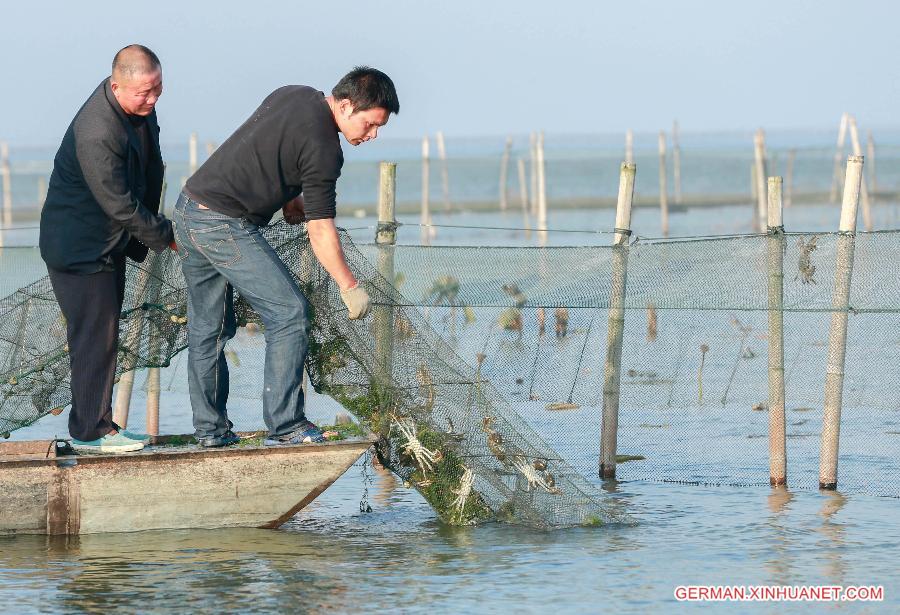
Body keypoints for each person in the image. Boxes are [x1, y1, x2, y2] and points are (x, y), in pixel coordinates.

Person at [174, 66, 399, 448]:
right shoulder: (327, 151)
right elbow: (320, 231)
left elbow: (273, 147)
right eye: (370, 123)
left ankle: (211, 434)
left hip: (189, 211)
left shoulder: (296, 94)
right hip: (222, 223)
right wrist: (349, 285)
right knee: (290, 313)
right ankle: (288, 425)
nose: (372, 135)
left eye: (379, 127)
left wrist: (293, 199)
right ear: (345, 106)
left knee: (208, 330)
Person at [39, 45, 175, 454]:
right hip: (78, 246)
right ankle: (91, 432)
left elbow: (153, 167)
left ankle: (98, 425)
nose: (152, 100)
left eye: (158, 89)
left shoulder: (140, 111)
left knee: (103, 334)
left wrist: (149, 230)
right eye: (143, 93)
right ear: (116, 85)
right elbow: (116, 201)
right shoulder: (97, 129)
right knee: (95, 338)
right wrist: (164, 235)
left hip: (109, 242)